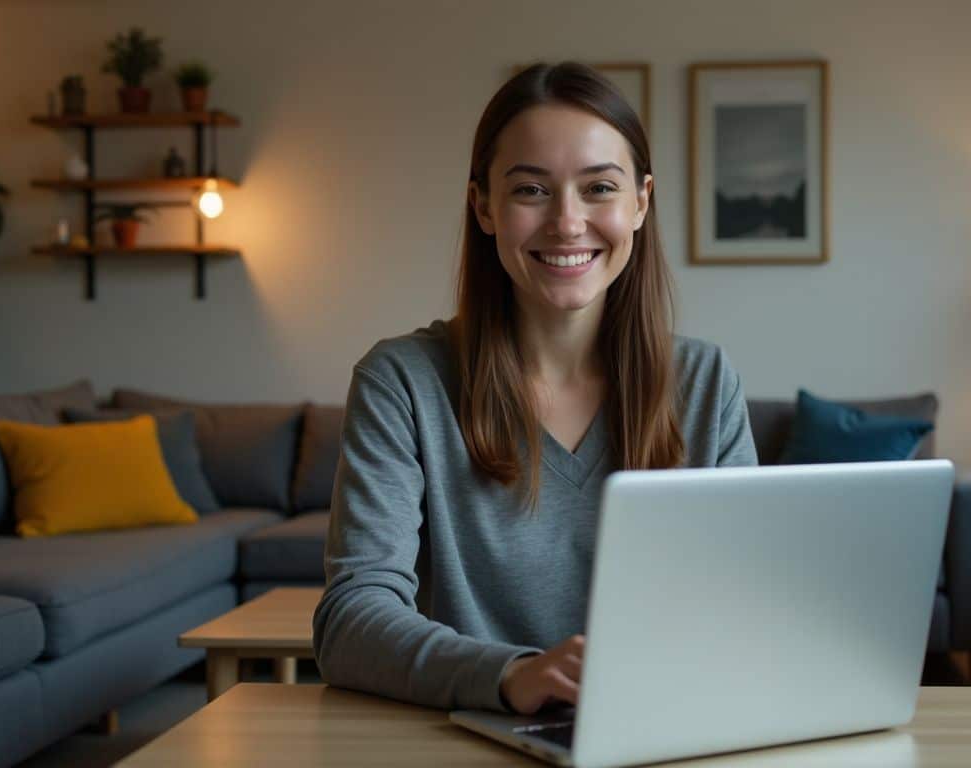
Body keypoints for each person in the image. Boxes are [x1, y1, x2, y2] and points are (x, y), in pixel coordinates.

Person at [312, 61, 758, 716]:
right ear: (483, 206)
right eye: (530, 191)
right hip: (470, 739)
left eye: (599, 187)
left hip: (666, 732)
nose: (567, 222)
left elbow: (749, 607)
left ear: (640, 202)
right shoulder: (402, 383)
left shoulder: (705, 382)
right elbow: (350, 622)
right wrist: (514, 675)